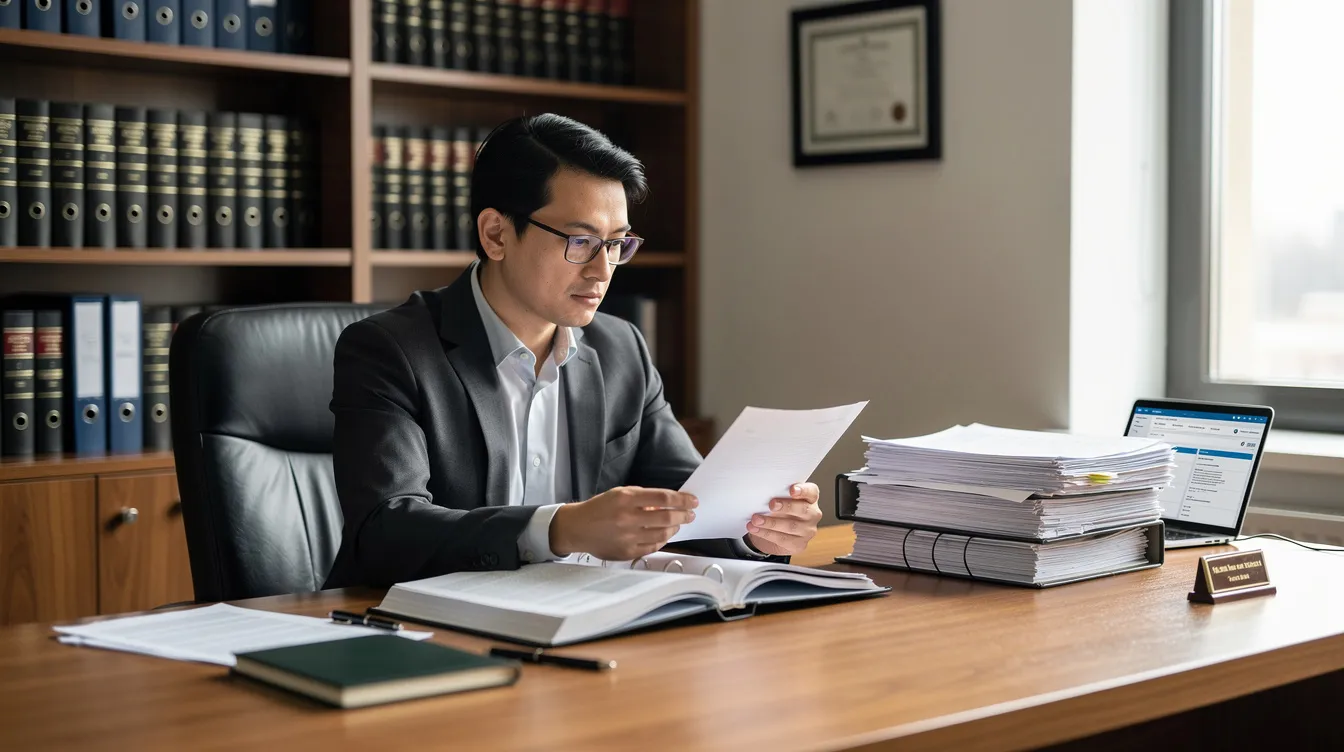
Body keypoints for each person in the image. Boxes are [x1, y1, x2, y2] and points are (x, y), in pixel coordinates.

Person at [323, 114, 821, 588]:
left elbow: (692, 506)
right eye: (581, 241)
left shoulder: (621, 347)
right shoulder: (389, 351)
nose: (602, 270)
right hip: (419, 631)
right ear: (496, 233)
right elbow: (384, 531)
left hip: (578, 621)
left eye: (617, 244)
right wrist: (561, 528)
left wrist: (758, 530)